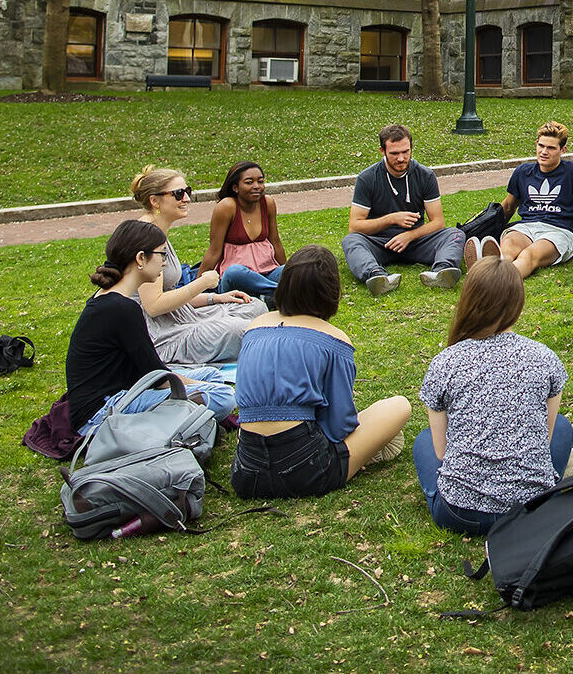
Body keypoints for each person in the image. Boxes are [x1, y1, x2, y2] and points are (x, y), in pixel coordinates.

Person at [413, 257, 573, 534]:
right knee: (562, 427)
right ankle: (552, 480)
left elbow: (441, 451)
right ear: (517, 304)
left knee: (424, 439)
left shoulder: (444, 362)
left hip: (460, 514)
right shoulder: (545, 358)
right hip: (532, 510)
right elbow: (546, 435)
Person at [230, 245, 412, 498]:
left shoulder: (255, 327)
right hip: (307, 470)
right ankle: (363, 454)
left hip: (246, 474)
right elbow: (339, 427)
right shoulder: (334, 339)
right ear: (331, 292)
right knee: (400, 406)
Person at [66, 219, 238, 436]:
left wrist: (197, 383)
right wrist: (200, 387)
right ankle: (185, 416)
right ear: (140, 258)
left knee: (212, 375)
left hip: (120, 391)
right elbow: (158, 377)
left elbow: (149, 370)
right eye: (162, 255)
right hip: (103, 413)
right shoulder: (122, 308)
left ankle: (187, 413)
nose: (165, 263)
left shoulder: (109, 299)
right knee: (223, 395)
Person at [133, 165, 268, 364]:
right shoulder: (146, 238)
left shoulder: (157, 232)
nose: (187, 199)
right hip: (162, 334)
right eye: (179, 194)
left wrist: (216, 298)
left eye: (187, 192)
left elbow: (170, 297)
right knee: (245, 331)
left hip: (180, 316)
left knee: (255, 308)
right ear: (155, 201)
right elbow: (153, 306)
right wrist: (203, 283)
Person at [342, 124, 466, 295]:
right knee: (351, 241)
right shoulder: (367, 178)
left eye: (405, 152)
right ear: (382, 151)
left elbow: (438, 222)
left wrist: (409, 235)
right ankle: (376, 275)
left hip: (416, 241)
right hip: (380, 243)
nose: (401, 158)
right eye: (394, 153)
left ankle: (442, 272)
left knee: (455, 234)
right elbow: (355, 226)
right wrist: (391, 219)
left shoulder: (425, 175)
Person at [468, 120, 573, 279]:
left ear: (563, 150)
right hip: (526, 227)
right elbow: (508, 206)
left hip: (559, 230)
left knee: (528, 255)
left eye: (551, 148)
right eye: (541, 146)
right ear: (536, 143)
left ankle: (493, 279)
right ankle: (491, 271)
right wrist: (489, 227)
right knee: (508, 247)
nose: (544, 152)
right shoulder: (523, 172)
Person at [201, 160, 286, 302]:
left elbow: (275, 242)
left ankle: (268, 295)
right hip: (237, 281)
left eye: (260, 181)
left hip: (267, 273)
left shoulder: (268, 203)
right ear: (235, 187)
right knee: (235, 272)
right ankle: (282, 293)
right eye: (249, 182)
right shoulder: (227, 207)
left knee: (292, 269)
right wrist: (198, 288)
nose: (256, 186)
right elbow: (214, 251)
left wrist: (288, 271)